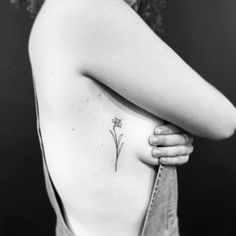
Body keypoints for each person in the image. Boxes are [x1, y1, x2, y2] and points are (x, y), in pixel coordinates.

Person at [11, 0, 236, 236]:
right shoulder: (86, 10)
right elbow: (224, 121)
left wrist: (172, 129)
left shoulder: (61, 12)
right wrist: (180, 123)